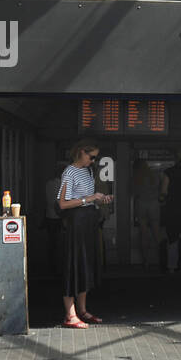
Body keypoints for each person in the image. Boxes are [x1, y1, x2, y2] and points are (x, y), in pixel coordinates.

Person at [58, 139, 113, 328]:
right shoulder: (70, 171)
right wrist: (89, 198)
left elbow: (86, 199)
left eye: (96, 158)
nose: (93, 161)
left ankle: (82, 310)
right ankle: (70, 314)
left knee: (86, 264)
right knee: (74, 264)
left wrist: (99, 199)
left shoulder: (88, 171)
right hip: (77, 222)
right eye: (92, 157)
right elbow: (63, 203)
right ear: (81, 152)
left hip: (89, 219)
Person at [131, 158, 162, 270]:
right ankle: (161, 259)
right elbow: (159, 188)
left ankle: (146, 261)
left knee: (143, 233)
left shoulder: (136, 176)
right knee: (156, 232)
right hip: (154, 203)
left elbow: (133, 192)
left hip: (141, 204)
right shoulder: (154, 174)